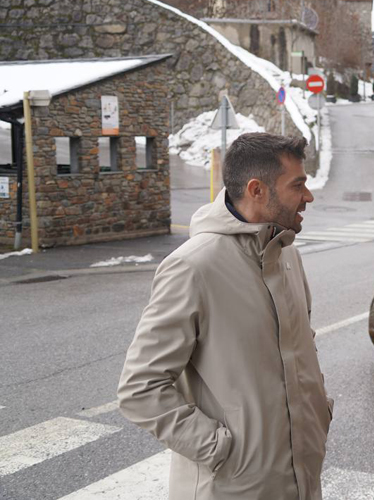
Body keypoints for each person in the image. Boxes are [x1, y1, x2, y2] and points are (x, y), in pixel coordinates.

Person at [118, 133, 332, 500]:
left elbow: (301, 350)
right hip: (232, 488)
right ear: (256, 190)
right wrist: (218, 450)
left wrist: (317, 415)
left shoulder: (287, 256)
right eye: (297, 185)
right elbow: (140, 388)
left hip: (300, 480)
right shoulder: (193, 267)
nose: (308, 196)